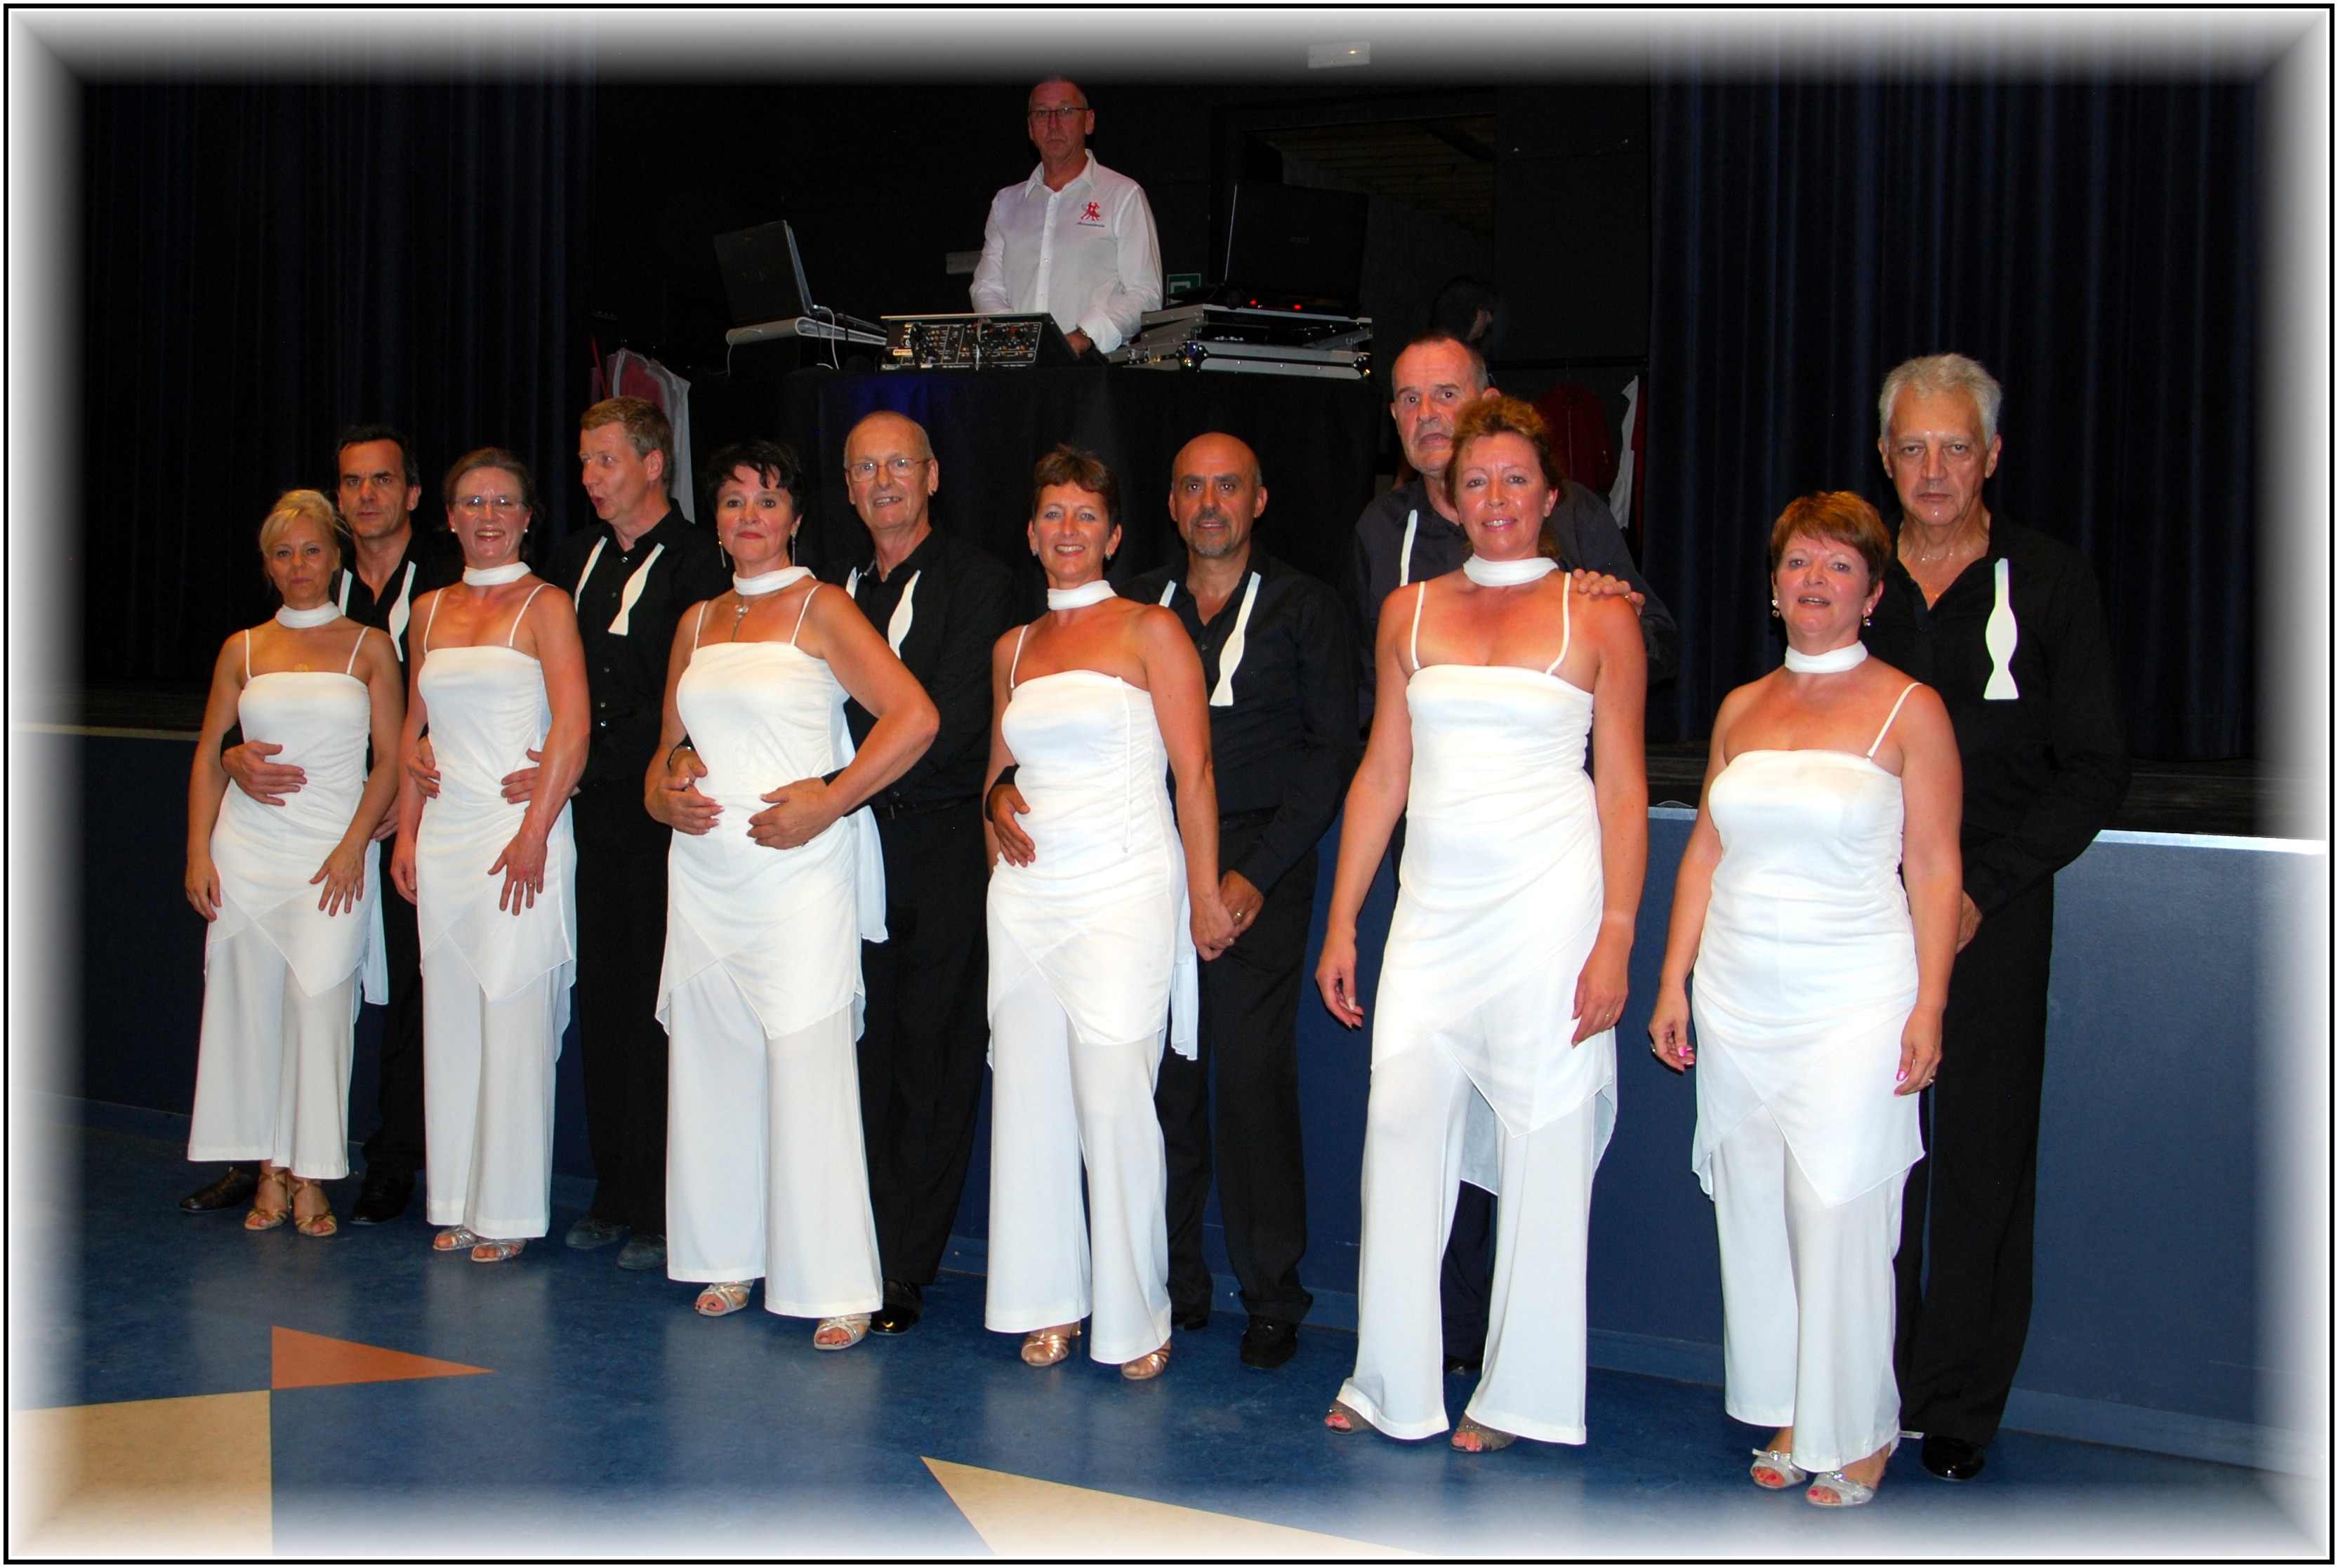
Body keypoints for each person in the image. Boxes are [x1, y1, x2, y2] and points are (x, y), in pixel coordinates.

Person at [1316, 395, 1647, 1451]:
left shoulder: (1600, 613)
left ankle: (1522, 1394)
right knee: (1400, 1127)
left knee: (1545, 1140)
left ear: (1551, 496)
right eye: (1476, 481)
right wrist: (1342, 920)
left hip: (1552, 910)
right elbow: (1382, 773)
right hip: (1432, 915)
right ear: (1449, 498)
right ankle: (1389, 1377)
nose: (1496, 497)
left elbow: (1623, 788)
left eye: (1516, 479)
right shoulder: (1406, 612)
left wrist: (1617, 935)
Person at [1649, 491, 1962, 1508]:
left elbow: (1934, 865)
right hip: (1736, 994)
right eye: (1799, 563)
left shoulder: (1911, 708)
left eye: (1838, 565)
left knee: (1837, 1207)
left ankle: (1859, 1427)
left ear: (1872, 594)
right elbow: (1705, 851)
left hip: (1856, 996)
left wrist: (1929, 1006)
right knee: (1755, 1206)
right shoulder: (1741, 706)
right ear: (1774, 588)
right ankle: (1793, 1405)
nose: (1815, 580)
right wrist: (1673, 978)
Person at [1861, 354, 2131, 1482]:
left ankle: (1958, 1402)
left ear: (1991, 458)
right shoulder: (1850, 573)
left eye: (1954, 448)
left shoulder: (2051, 580)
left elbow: (2094, 767)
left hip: (1990, 912)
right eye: (1912, 448)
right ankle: (1861, 1384)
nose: (1932, 470)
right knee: (1866, 1157)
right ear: (1885, 459)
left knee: (1979, 1156)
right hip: (1860, 912)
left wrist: (1983, 888)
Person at [649, 441, 939, 1347]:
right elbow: (665, 753)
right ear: (715, 517)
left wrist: (831, 799)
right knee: (713, 1064)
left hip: (798, 875)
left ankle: (836, 1279)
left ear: (797, 517)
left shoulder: (822, 605)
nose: (749, 515)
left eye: (767, 500)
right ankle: (727, 1253)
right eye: (733, 499)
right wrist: (663, 791)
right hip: (706, 874)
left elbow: (916, 717)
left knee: (809, 1065)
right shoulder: (696, 621)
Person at [983, 446, 1238, 1381]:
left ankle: (1135, 1313)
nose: (1068, 529)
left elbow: (1195, 772)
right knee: (1029, 1100)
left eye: (1085, 514)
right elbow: (996, 776)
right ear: (1030, 532)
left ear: (1115, 533)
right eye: (1052, 513)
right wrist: (993, 810)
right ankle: (1045, 1299)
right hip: (1025, 900)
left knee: (1114, 1099)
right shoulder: (1012, 648)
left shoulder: (1150, 629)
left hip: (1125, 889)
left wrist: (1203, 896)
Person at [1113, 434, 1359, 1368]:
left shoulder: (1306, 606)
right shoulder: (1137, 604)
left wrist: (1251, 874)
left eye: (1228, 486)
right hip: (1151, 860)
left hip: (1262, 867)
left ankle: (1272, 1295)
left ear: (1258, 500)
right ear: (1171, 504)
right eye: (1192, 486)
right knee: (1163, 1082)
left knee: (1251, 1078)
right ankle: (1171, 1282)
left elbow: (1329, 754)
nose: (1209, 502)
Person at [187, 427, 465, 1226]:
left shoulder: (375, 643)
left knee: (323, 1010)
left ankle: (314, 1171)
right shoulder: (242, 647)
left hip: (337, 855)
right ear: (268, 563)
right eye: (284, 553)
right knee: (247, 1010)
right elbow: (210, 751)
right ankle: (267, 1170)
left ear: (333, 555)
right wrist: (198, 851)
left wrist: (355, 843)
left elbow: (395, 750)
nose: (299, 564)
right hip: (248, 853)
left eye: (312, 551)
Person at [825, 411, 1015, 1336]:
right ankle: (844, 1244)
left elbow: (955, 721)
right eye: (865, 468)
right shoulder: (831, 590)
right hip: (842, 848)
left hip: (938, 846)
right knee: (855, 1051)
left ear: (933, 476)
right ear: (848, 488)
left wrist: (839, 778)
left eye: (899, 463)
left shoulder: (982, 583)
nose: (884, 481)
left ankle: (903, 1263)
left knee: (932, 1059)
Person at [390, 449, 589, 1263]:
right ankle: (457, 1197)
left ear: (528, 515)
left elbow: (573, 725)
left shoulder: (547, 603)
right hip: (446, 839)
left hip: (519, 835)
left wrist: (535, 830)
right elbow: (413, 733)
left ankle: (506, 1210)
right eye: (472, 501)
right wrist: (407, 833)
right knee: (451, 1016)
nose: (488, 515)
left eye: (504, 501)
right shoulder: (428, 609)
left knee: (513, 1015)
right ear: (449, 515)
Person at [548, 398, 731, 1272]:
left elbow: (694, 695)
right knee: (606, 998)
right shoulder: (574, 558)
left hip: (658, 807)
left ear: (655, 464)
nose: (591, 476)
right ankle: (612, 1186)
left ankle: (663, 1199)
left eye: (606, 460)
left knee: (663, 1004)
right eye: (585, 462)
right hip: (588, 808)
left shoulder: (701, 560)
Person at [970, 77, 1163, 359]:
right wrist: (1014, 335)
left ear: (1089, 121)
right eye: (1042, 113)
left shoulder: (1123, 195)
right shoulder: (1006, 203)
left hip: (1094, 366)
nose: (1053, 123)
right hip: (1017, 369)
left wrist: (1084, 337)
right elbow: (986, 287)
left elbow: (1145, 294)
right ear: (1030, 129)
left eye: (1066, 111)